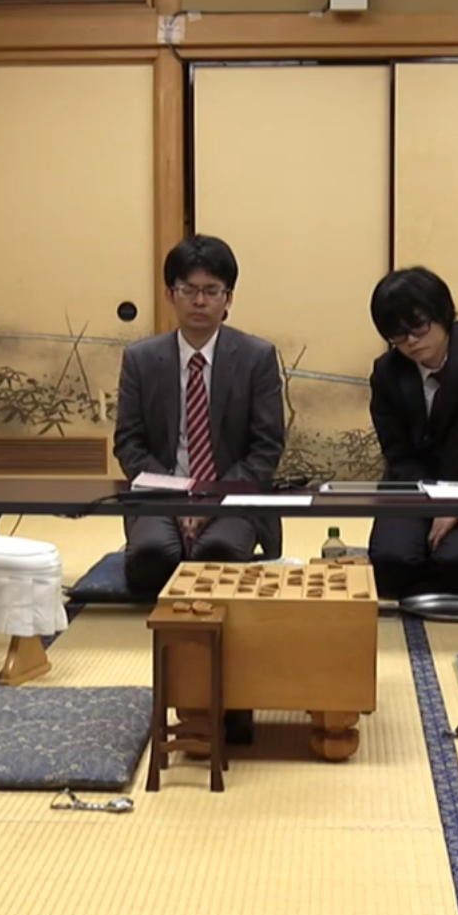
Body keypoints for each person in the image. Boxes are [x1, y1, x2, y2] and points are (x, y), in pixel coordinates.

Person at [114, 236, 285, 745]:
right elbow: (129, 444)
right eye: (189, 290)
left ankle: (221, 689)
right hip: (160, 492)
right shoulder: (142, 358)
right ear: (171, 294)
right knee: (152, 557)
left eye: (212, 291)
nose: (200, 301)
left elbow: (266, 447)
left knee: (218, 555)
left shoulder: (255, 356)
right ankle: (182, 677)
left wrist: (210, 500)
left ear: (229, 297)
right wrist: (176, 500)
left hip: (233, 493)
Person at [365, 268, 458, 598]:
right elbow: (397, 450)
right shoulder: (386, 372)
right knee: (390, 566)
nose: (411, 341)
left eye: (418, 327)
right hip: (411, 482)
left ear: (442, 314)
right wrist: (436, 503)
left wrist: (452, 499)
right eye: (397, 335)